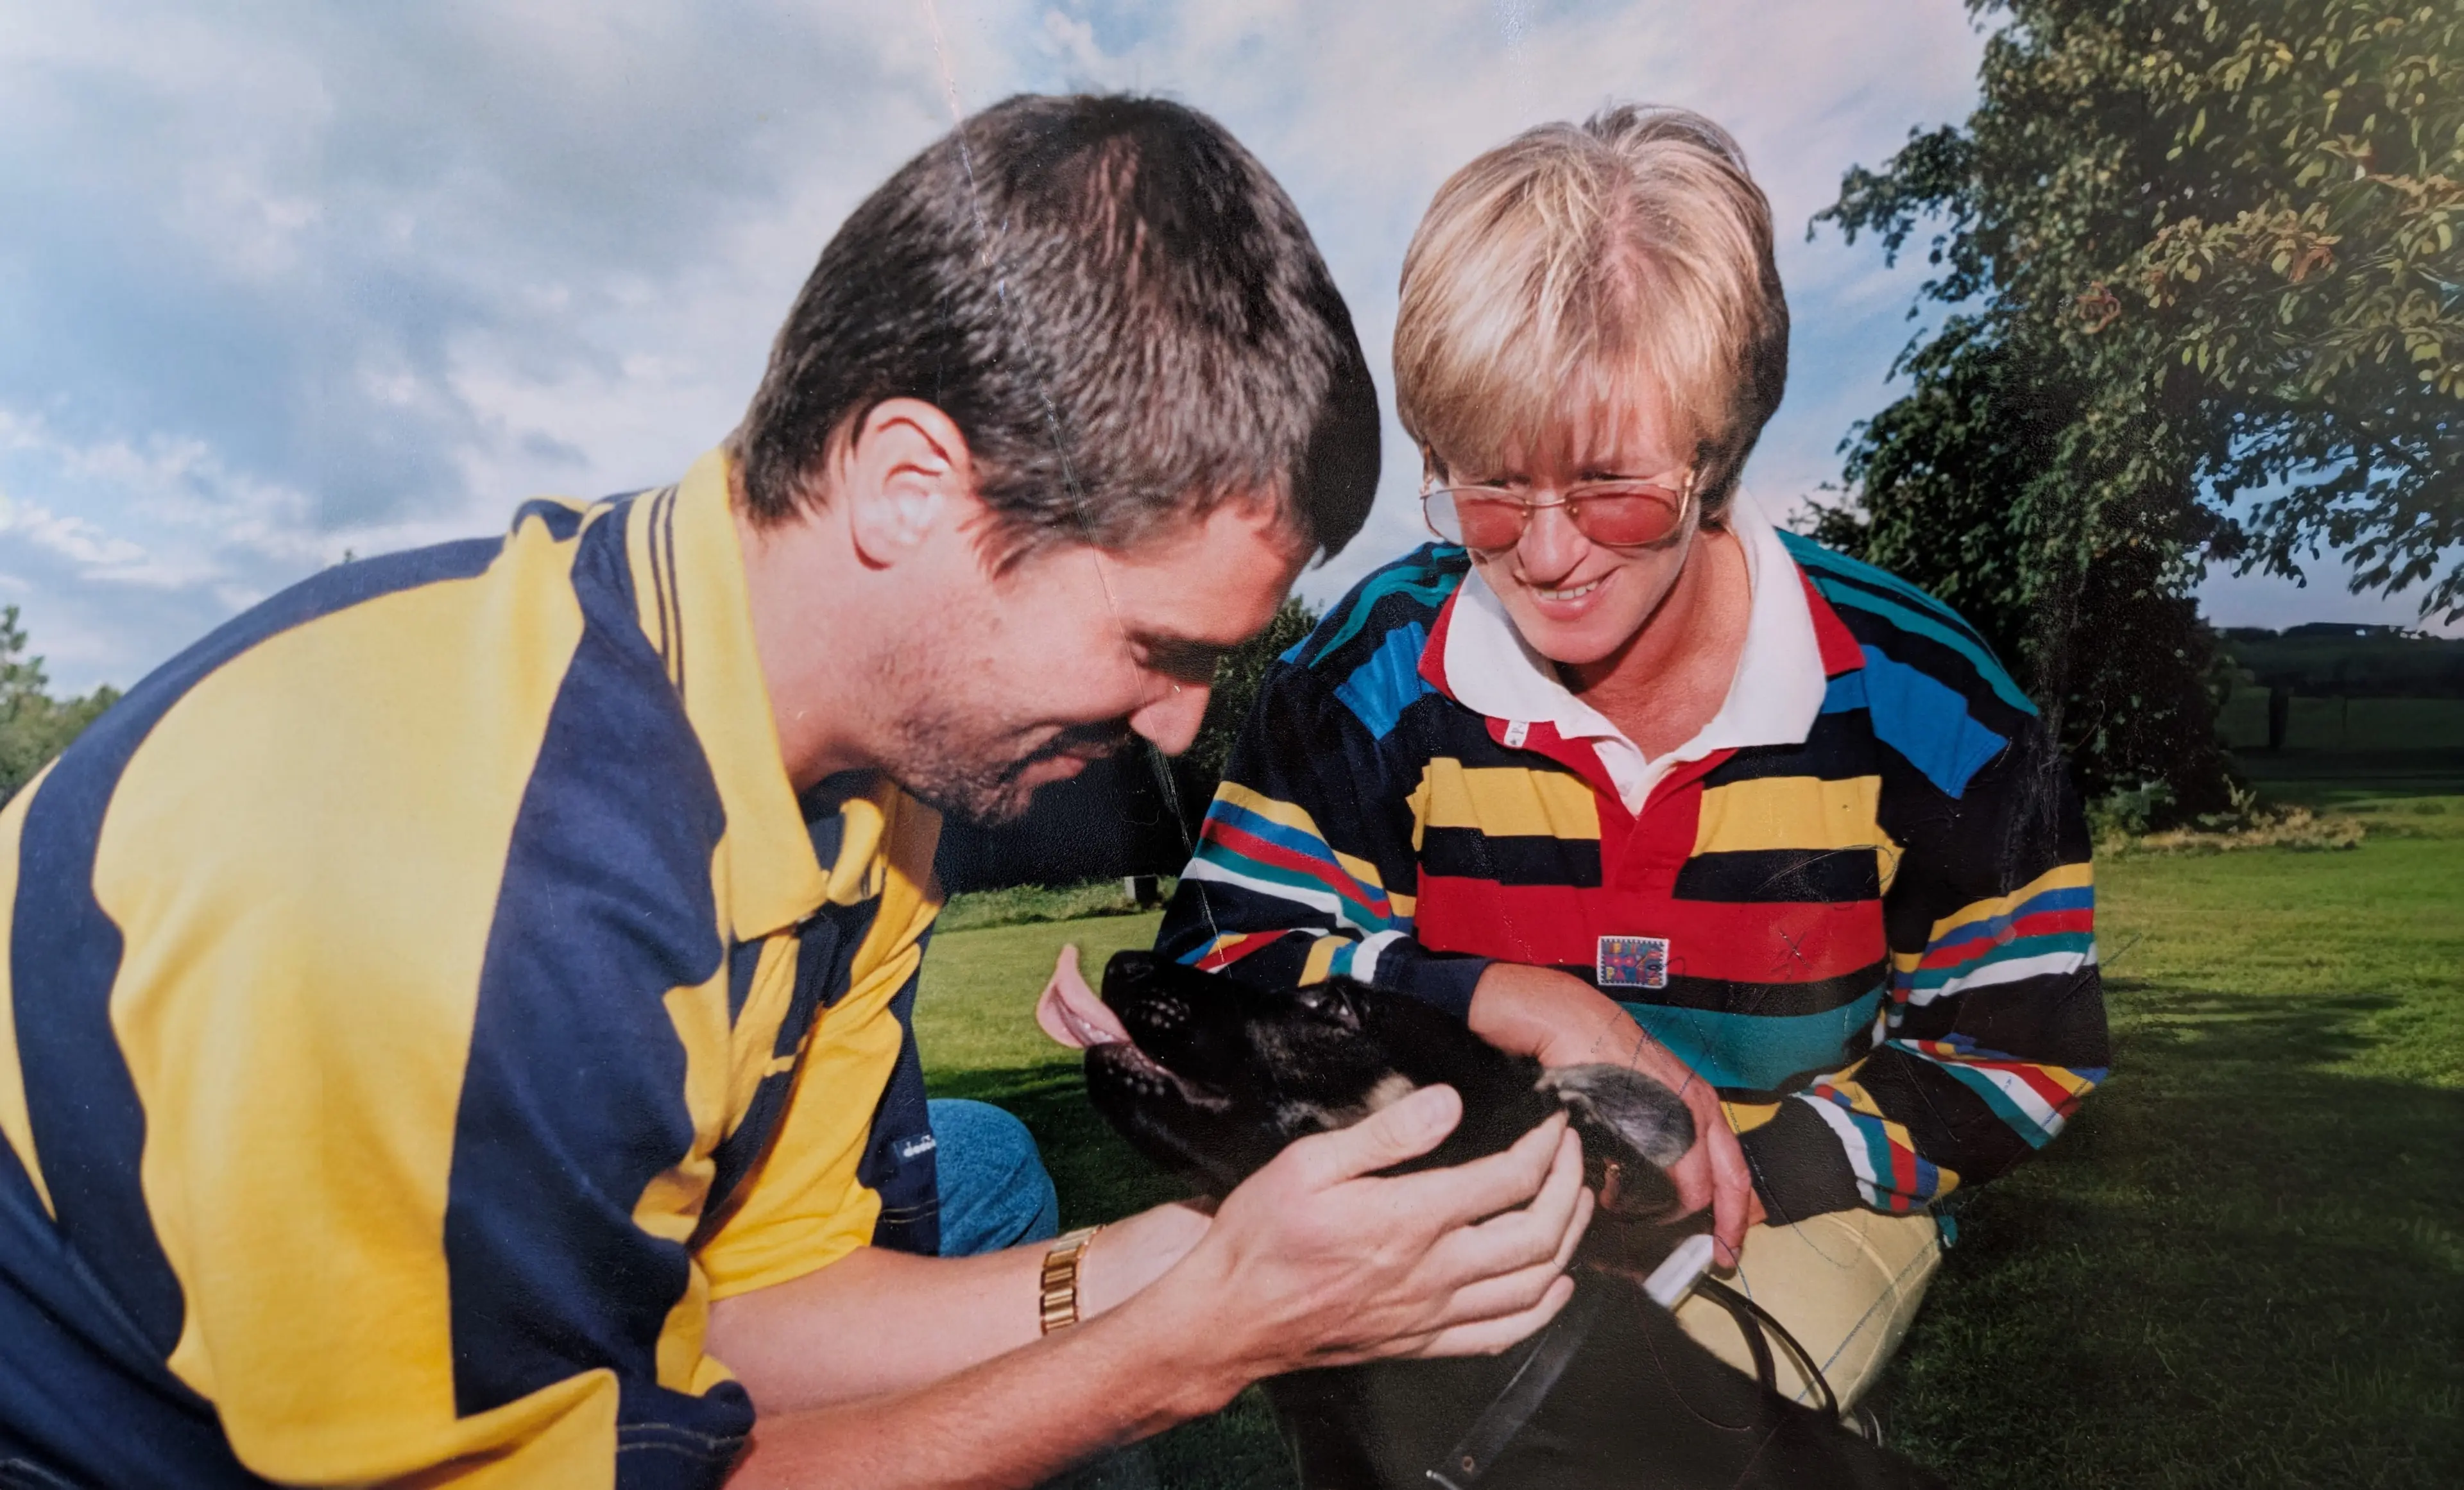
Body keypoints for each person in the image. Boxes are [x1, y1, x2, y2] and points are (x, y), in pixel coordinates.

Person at [0, 95, 1594, 1488]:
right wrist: (1187, 1350)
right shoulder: (502, 891)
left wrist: (1184, 1268)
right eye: (1153, 645)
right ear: (912, 487)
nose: (1183, 733)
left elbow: (763, 1306)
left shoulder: (867, 795)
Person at [1145, 104, 2112, 1416]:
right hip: (1472, 1192)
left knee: (1641, 1426)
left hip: (1787, 1209)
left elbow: (2022, 1043)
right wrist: (1508, 997)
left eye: (1613, 486)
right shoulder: (1371, 679)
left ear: (1721, 451)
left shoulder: (1933, 707)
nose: (1546, 554)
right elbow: (1221, 964)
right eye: (1488, 486)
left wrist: (1742, 1167)